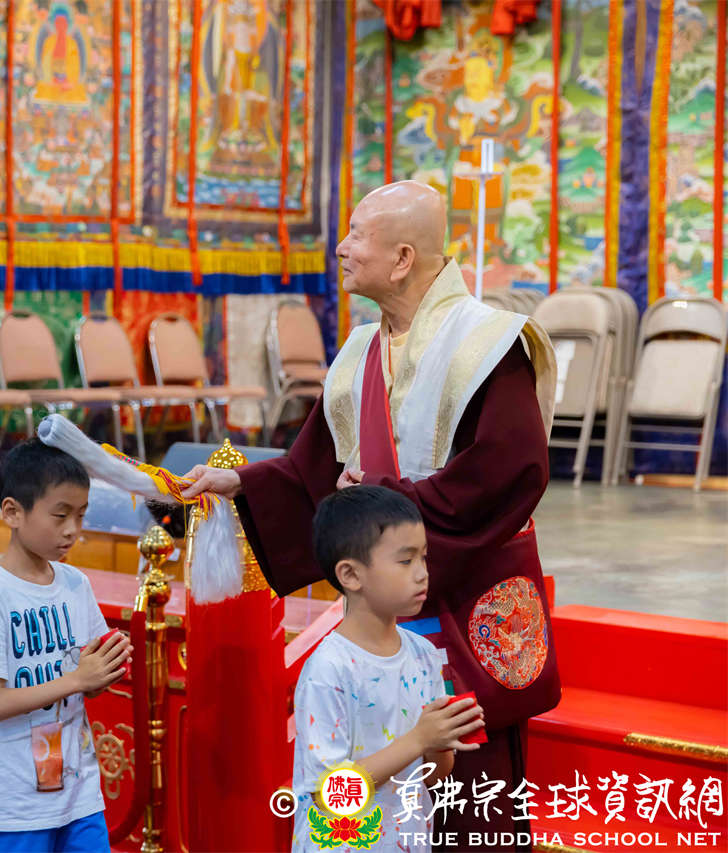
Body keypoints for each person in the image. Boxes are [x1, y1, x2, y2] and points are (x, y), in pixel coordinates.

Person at [183, 181, 559, 853]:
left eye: (357, 234)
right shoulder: (361, 350)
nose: (341, 247)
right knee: (380, 784)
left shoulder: (487, 344)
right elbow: (314, 470)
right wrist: (238, 482)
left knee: (474, 799)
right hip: (388, 612)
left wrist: (386, 502)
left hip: (465, 599)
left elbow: (510, 472)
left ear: (403, 258)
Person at [0, 438, 131, 852]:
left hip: (78, 793)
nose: (73, 530)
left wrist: (107, 666)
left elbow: (87, 678)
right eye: (60, 515)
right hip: (13, 803)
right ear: (12, 512)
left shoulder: (75, 584)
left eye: (81, 515)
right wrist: (77, 680)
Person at [293, 486, 485, 853]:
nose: (422, 574)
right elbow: (329, 797)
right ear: (351, 575)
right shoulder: (329, 670)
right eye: (405, 561)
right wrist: (419, 739)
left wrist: (444, 736)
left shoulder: (423, 653)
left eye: (424, 558)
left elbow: (435, 775)